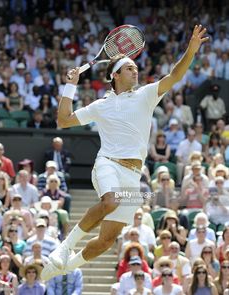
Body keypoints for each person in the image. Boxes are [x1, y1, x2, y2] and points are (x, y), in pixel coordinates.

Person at [41, 25, 209, 281]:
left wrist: (191, 50)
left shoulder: (146, 95)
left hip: (133, 176)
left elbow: (175, 75)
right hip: (108, 163)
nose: (135, 71)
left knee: (107, 239)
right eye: (130, 68)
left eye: (136, 68)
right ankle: (65, 247)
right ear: (115, 75)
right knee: (110, 201)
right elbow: (63, 120)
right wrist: (70, 87)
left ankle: (64, 267)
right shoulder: (100, 105)